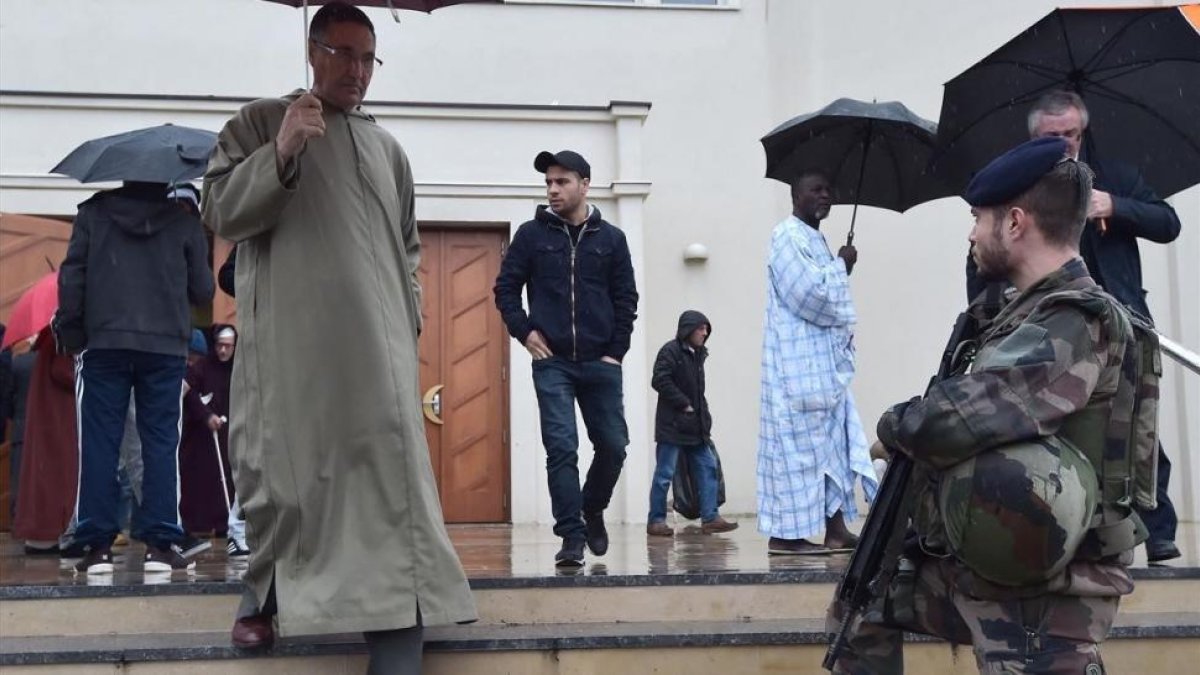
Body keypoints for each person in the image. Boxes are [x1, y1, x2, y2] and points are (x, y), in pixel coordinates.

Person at [201, 3, 476, 664]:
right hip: (293, 347)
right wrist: (284, 147)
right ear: (313, 51)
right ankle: (263, 595)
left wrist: (407, 309)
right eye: (343, 54)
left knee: (386, 479)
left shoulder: (388, 149)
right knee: (287, 471)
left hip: (376, 353)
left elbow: (409, 246)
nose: (356, 71)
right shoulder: (259, 121)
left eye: (367, 58)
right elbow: (219, 208)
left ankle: (398, 623)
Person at [830, 136, 1145, 673]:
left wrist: (893, 427)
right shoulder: (1015, 313)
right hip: (986, 564)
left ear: (1016, 223)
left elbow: (965, 415)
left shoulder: (1075, 320)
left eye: (979, 218)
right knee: (862, 606)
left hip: (1048, 590)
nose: (973, 233)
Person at [966, 90, 1183, 564]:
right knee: (1063, 429)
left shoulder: (1115, 175)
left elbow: (1169, 223)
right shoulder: (1020, 186)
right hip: (1049, 327)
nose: (1064, 144)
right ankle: (1071, 530)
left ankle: (1158, 532)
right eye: (1052, 136)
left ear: (1083, 133)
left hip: (1120, 322)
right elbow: (983, 257)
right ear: (1034, 138)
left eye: (1071, 135)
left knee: (1136, 431)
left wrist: (1115, 207)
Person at [54, 179, 214, 575]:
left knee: (99, 443)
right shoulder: (183, 224)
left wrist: (73, 333)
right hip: (163, 347)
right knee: (160, 442)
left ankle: (97, 548)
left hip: (105, 342)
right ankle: (161, 545)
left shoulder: (92, 215)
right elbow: (204, 290)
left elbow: (72, 279)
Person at [493, 149, 639, 568]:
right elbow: (505, 289)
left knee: (613, 445)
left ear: (585, 184)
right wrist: (525, 332)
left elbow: (626, 298)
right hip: (553, 362)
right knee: (561, 448)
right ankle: (571, 536)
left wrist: (616, 352)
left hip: (601, 362)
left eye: (562, 182)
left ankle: (591, 508)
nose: (553, 190)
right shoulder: (530, 235)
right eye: (549, 183)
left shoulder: (611, 239)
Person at [756, 170, 876, 556]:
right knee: (799, 454)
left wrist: (840, 265)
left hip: (823, 371)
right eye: (816, 190)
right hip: (796, 370)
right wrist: (842, 266)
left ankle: (836, 529)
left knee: (833, 449)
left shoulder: (814, 239)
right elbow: (811, 297)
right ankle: (785, 537)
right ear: (796, 197)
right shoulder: (786, 236)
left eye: (829, 189)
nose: (826, 195)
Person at [646, 310, 736, 536]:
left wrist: (704, 417)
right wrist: (683, 404)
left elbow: (699, 393)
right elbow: (659, 380)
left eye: (706, 329)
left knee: (708, 467)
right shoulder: (670, 351)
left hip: (695, 428)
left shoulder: (698, 354)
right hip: (672, 427)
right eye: (701, 328)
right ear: (688, 329)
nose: (705, 333)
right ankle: (656, 521)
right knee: (664, 474)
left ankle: (710, 517)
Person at [12, 328, 77, 554]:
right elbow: (63, 371)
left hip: (48, 417)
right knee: (59, 475)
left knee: (42, 477)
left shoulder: (48, 339)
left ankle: (40, 535)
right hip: (59, 417)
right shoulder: (60, 335)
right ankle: (53, 533)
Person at [180, 324, 237, 537]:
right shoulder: (202, 367)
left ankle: (224, 524)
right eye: (220, 346)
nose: (223, 351)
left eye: (228, 347)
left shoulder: (236, 368)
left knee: (227, 479)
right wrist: (206, 415)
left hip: (227, 434)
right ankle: (196, 525)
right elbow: (189, 393)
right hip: (202, 437)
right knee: (199, 478)